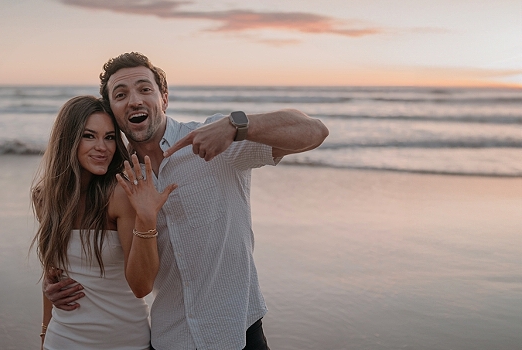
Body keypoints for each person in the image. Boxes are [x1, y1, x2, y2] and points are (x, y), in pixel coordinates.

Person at [44, 53, 329, 350]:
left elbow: (315, 131)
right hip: (169, 338)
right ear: (112, 112)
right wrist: (56, 281)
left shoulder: (218, 139)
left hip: (237, 331)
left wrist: (235, 125)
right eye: (120, 95)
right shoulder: (118, 178)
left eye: (145, 89)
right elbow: (93, 243)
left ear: (164, 98)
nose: (135, 101)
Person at [32, 95, 177, 350]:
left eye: (109, 137)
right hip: (61, 340)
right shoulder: (45, 198)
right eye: (89, 136)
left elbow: (142, 286)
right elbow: (53, 275)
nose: (103, 147)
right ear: (68, 139)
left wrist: (146, 217)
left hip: (124, 342)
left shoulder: (119, 195)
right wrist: (44, 335)